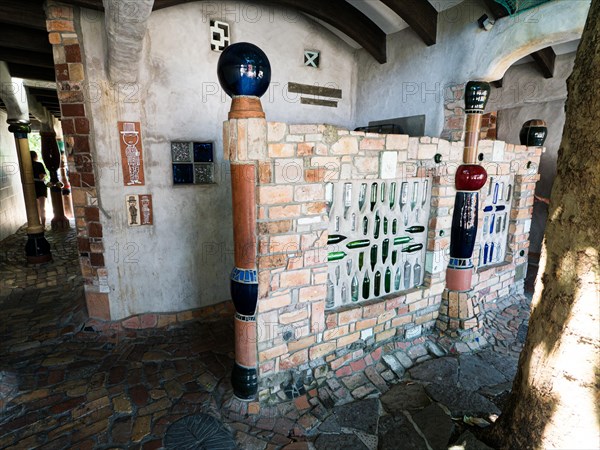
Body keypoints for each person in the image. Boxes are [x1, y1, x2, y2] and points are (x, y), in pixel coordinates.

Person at [31, 151, 48, 228]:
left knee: (35, 207)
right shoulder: (39, 164)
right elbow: (41, 176)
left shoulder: (26, 165)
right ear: (35, 156)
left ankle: (36, 224)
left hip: (31, 186)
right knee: (42, 207)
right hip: (40, 186)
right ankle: (43, 225)